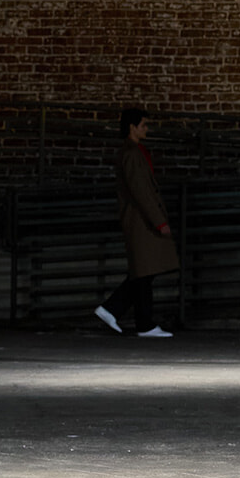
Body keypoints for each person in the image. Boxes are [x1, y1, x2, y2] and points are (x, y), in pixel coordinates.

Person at [94, 107, 178, 338]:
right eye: (143, 125)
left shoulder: (132, 152)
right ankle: (135, 319)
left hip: (141, 220)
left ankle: (127, 315)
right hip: (141, 221)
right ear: (132, 127)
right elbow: (141, 191)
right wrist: (159, 222)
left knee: (144, 271)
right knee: (144, 272)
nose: (146, 129)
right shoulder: (131, 154)